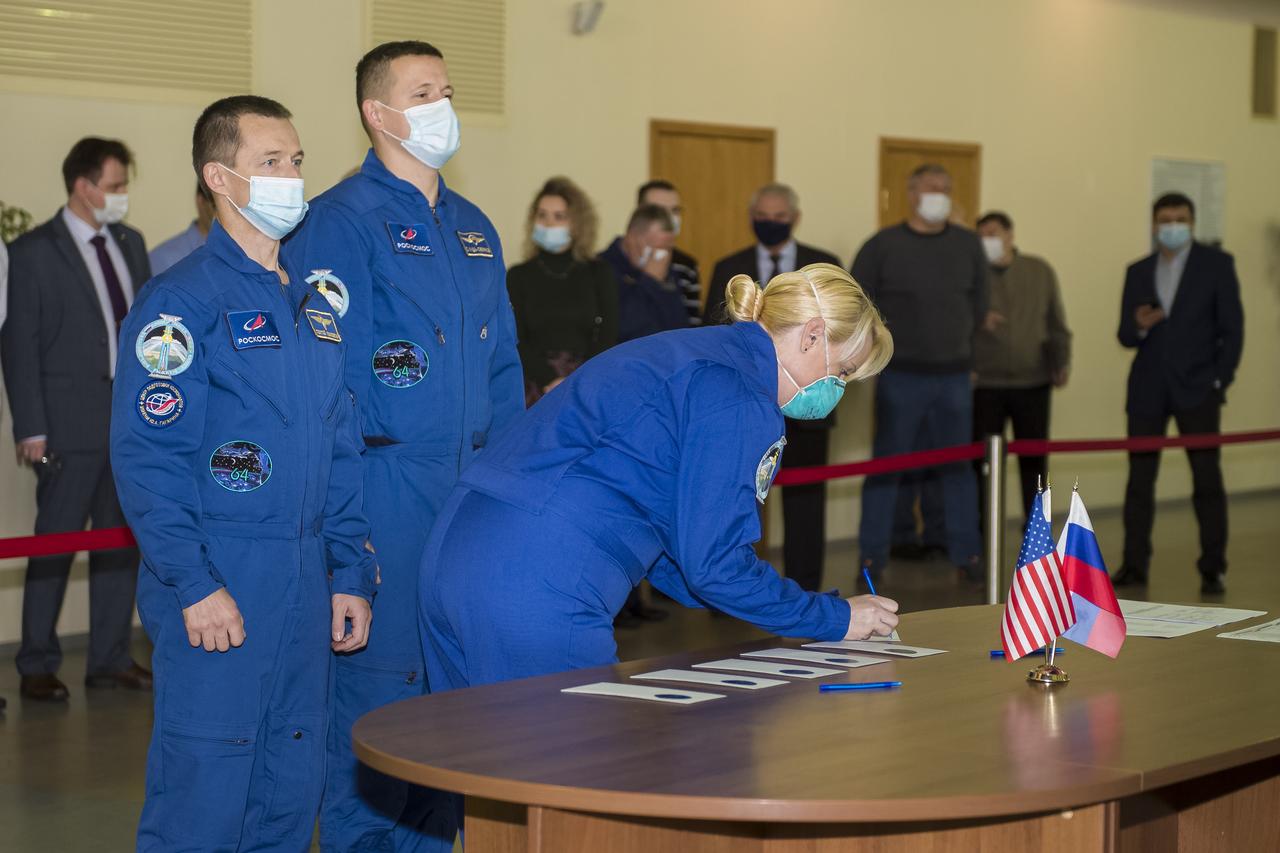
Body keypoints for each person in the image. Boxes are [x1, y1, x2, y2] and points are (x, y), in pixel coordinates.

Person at [420, 263, 899, 694]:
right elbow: (715, 564)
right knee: (568, 775)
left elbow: (682, 552)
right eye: (843, 373)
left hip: (459, 550)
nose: (837, 390)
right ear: (812, 335)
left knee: (478, 773)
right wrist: (834, 619)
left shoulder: (691, 352)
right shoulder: (740, 395)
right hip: (539, 577)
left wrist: (760, 596)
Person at [111, 94, 376, 852]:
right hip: (221, 582)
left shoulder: (314, 312)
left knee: (292, 790)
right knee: (205, 790)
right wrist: (192, 583)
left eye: (296, 161)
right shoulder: (179, 305)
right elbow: (147, 456)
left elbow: (342, 450)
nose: (291, 176)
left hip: (307, 588)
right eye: (271, 162)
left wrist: (349, 568)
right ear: (220, 178)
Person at [282, 40, 523, 852]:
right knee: (382, 706)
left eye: (447, 89)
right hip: (385, 491)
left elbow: (505, 372)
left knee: (458, 706)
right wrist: (347, 547)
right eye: (424, 92)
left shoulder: (475, 228)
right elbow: (329, 394)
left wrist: (515, 499)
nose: (442, 105)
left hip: (471, 495)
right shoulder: (340, 223)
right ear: (377, 113)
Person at [1, 137, 150, 702]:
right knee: (53, 546)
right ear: (83, 186)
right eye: (114, 187)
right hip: (64, 426)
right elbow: (20, 345)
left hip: (128, 424)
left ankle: (110, 657)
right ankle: (37, 661)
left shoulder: (130, 244)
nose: (121, 197)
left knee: (119, 544)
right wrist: (31, 429)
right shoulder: (35, 250)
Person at [850, 163, 987, 588]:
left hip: (954, 377)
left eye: (946, 188)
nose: (940, 195)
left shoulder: (968, 245)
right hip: (900, 377)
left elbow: (979, 307)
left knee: (958, 470)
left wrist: (972, 362)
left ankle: (968, 554)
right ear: (911, 194)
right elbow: (857, 307)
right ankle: (872, 556)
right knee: (886, 468)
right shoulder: (882, 245)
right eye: (931, 188)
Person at [705, 183, 841, 592]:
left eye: (779, 216)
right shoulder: (731, 267)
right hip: (746, 405)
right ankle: (737, 586)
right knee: (742, 498)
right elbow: (714, 334)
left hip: (810, 404)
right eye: (763, 215)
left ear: (794, 218)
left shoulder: (825, 265)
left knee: (806, 502)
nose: (771, 223)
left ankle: (806, 587)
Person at [1114, 192, 1243, 595]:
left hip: (1199, 389)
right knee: (1139, 482)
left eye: (1180, 219)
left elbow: (1233, 329)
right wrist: (1138, 325)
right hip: (1148, 388)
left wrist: (1219, 379)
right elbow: (1124, 335)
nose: (1172, 225)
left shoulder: (1217, 265)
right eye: (1165, 219)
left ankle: (1212, 566)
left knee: (1206, 480)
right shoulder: (1138, 270)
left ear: (1192, 222)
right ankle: (1134, 565)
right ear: (1154, 224)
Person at [973, 210, 1071, 521]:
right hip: (985, 383)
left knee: (1034, 464)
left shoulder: (1038, 270)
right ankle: (983, 532)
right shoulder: (973, 274)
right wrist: (978, 321)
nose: (988, 239)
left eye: (994, 232)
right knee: (984, 465)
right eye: (982, 234)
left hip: (1033, 382)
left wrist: (1061, 361)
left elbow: (1056, 321)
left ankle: (1036, 529)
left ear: (1010, 235)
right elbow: (956, 320)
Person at [508, 176, 617, 407]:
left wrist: (577, 380)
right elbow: (514, 337)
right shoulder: (518, 275)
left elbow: (609, 334)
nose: (548, 224)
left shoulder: (599, 272)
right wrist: (550, 379)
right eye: (542, 215)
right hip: (535, 384)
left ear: (577, 223)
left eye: (559, 217)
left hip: (587, 381)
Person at [600, 204, 690, 342]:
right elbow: (622, 328)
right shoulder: (602, 269)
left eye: (667, 249)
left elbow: (679, 327)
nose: (662, 256)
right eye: (656, 248)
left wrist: (662, 285)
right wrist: (650, 281)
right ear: (632, 238)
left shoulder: (665, 268)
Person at [637, 179, 701, 326]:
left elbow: (692, 326)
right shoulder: (617, 263)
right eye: (660, 211)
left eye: (675, 210)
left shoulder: (686, 265)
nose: (670, 218)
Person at [148, 181, 217, 275]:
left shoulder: (237, 253)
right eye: (217, 206)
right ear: (201, 202)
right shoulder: (164, 259)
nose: (226, 214)